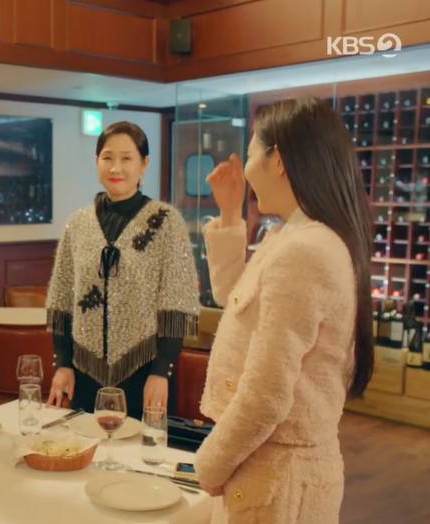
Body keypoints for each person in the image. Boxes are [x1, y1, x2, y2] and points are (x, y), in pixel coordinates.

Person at [194, 96, 374, 524]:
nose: (245, 167)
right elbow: (235, 298)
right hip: (268, 469)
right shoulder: (295, 236)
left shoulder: (305, 249)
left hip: (275, 480)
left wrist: (208, 465)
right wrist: (229, 212)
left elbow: (267, 394)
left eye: (251, 151)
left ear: (278, 160)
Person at [45, 121, 200, 420]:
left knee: (138, 446)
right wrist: (62, 363)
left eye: (127, 158)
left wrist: (162, 371)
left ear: (144, 163)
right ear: (96, 161)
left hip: (145, 370)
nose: (116, 168)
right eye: (107, 157)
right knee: (84, 442)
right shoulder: (78, 224)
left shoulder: (165, 222)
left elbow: (176, 303)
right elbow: (62, 299)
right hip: (84, 369)